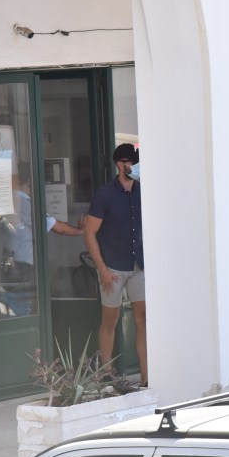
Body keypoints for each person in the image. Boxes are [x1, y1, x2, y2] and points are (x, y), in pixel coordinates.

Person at [84, 143, 147, 385]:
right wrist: (102, 269)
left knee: (144, 320)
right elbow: (89, 233)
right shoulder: (105, 194)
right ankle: (106, 373)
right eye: (133, 162)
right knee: (110, 319)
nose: (137, 167)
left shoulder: (143, 191)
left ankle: (146, 378)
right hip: (113, 267)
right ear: (121, 164)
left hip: (139, 266)